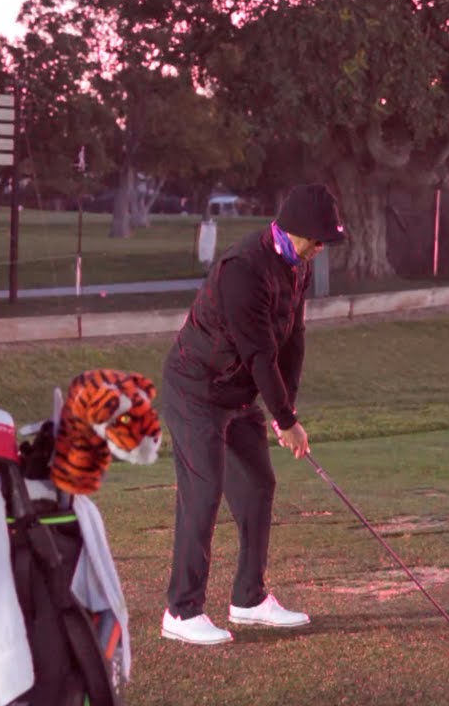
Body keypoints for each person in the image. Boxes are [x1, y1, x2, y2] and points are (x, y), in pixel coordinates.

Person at [160, 183, 346, 645]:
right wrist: (284, 421)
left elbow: (292, 341)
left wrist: (290, 407)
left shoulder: (295, 266)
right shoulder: (244, 269)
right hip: (197, 389)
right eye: (319, 240)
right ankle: (181, 612)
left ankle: (249, 599)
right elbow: (260, 354)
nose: (322, 248)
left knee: (259, 486)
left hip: (239, 393)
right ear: (297, 231)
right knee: (204, 492)